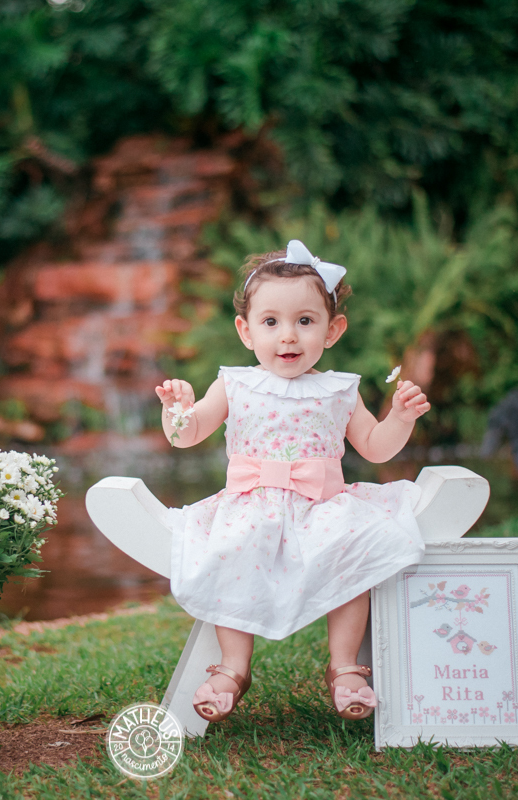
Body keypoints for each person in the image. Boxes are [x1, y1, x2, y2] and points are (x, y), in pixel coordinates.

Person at [156, 240, 430, 723]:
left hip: (322, 507)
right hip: (250, 506)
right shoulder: (235, 383)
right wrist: (176, 410)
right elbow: (187, 434)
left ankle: (345, 668)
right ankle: (232, 669)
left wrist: (400, 418)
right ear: (245, 331)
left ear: (332, 330)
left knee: (354, 549)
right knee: (228, 551)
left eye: (305, 321)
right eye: (271, 322)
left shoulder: (339, 389)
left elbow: (375, 447)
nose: (288, 336)